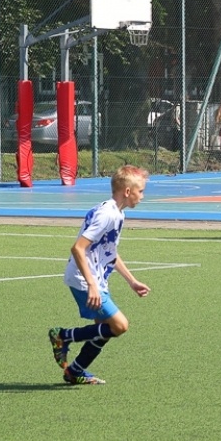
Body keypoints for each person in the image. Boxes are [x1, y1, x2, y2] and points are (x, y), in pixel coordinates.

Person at [47, 165, 152, 385]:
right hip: (83, 280)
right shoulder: (107, 214)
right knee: (120, 325)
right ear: (127, 191)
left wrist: (131, 281)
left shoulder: (117, 213)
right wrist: (92, 285)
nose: (142, 196)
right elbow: (78, 248)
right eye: (140, 191)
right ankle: (63, 336)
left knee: (103, 331)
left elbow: (110, 253)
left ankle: (75, 371)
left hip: (95, 279)